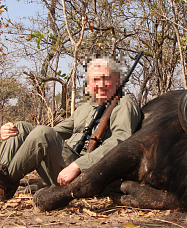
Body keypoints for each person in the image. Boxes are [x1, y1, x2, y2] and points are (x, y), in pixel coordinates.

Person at [0, 57, 141, 200]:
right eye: (96, 80)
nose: (101, 84)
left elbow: (121, 142)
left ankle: (3, 186)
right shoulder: (84, 108)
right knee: (20, 127)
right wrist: (9, 131)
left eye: (106, 78)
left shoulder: (124, 104)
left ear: (117, 80)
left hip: (88, 175)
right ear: (88, 84)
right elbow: (53, 133)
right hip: (64, 170)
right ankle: (2, 180)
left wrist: (78, 165)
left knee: (43, 133)